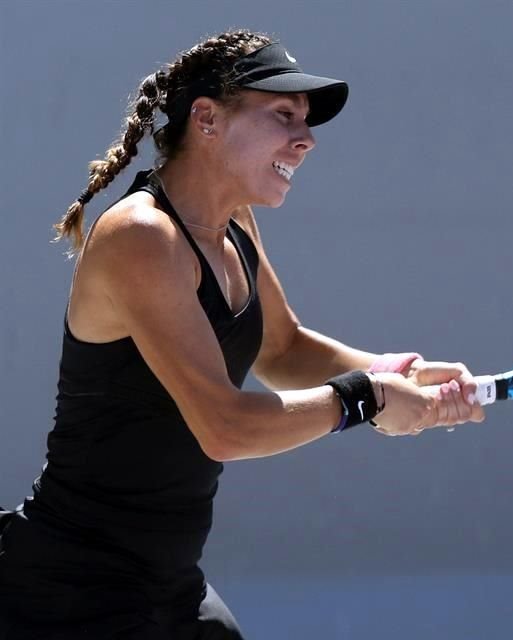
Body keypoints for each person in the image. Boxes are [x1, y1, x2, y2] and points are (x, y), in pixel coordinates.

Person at [0, 29, 484, 639]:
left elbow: (282, 350)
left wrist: (396, 372)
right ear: (206, 119)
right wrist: (368, 399)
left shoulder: (234, 225)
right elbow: (224, 426)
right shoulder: (141, 237)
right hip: (69, 595)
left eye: (305, 122)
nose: (305, 139)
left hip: (171, 588)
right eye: (284, 115)